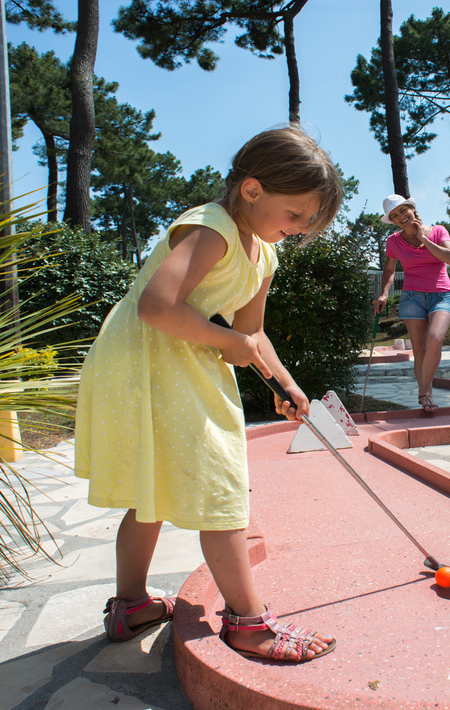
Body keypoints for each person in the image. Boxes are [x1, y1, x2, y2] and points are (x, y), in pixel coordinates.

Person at [74, 127, 344, 662]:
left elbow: (254, 332)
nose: (302, 227)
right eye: (296, 214)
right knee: (222, 489)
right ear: (251, 190)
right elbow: (157, 306)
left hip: (172, 364)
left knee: (150, 491)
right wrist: (229, 342)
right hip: (149, 363)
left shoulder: (264, 253)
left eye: (310, 220)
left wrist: (286, 383)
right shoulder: (211, 227)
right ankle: (248, 624)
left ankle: (132, 605)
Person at [373, 195, 450, 413]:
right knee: (419, 350)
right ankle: (427, 396)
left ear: (412, 208)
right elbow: (390, 270)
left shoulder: (439, 231)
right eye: (394, 215)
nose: (400, 217)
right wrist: (383, 294)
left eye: (403, 210)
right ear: (391, 220)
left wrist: (424, 239)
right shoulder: (393, 241)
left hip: (441, 295)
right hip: (412, 297)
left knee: (435, 338)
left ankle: (423, 391)